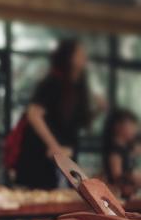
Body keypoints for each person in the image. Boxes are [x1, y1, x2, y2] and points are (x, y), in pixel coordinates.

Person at [15, 39, 99, 189]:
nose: (85, 57)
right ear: (69, 57)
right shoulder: (53, 81)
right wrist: (55, 147)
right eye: (80, 53)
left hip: (64, 156)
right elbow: (34, 114)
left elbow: (78, 123)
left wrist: (98, 110)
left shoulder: (77, 88)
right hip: (41, 156)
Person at [102, 108, 141, 185]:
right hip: (117, 193)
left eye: (135, 127)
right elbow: (117, 177)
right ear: (117, 126)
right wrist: (133, 176)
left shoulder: (127, 148)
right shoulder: (115, 151)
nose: (134, 130)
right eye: (131, 126)